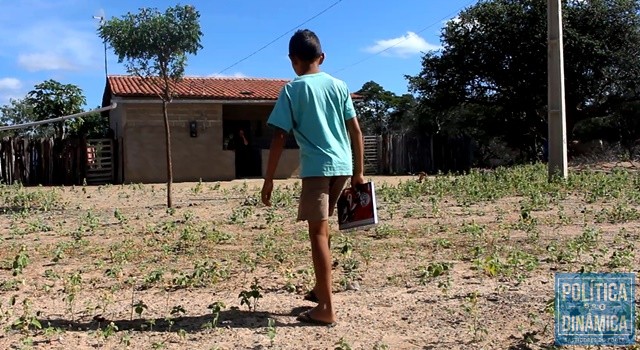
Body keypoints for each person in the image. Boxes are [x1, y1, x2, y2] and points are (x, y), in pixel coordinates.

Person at [261, 29, 365, 326]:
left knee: (317, 233)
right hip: (343, 166)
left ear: (292, 60)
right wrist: (358, 172)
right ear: (322, 57)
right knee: (325, 229)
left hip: (317, 170)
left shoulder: (292, 90)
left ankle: (327, 308)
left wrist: (269, 179)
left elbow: (280, 135)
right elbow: (355, 131)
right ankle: (321, 289)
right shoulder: (339, 86)